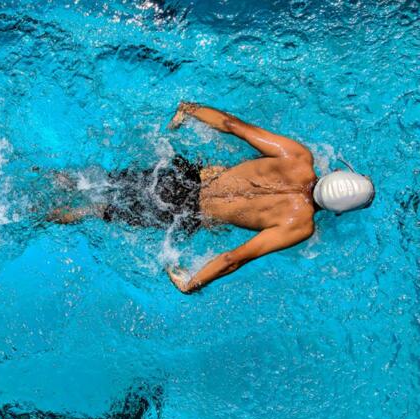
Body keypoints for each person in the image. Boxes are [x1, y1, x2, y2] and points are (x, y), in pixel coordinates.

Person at [47, 102, 375, 293]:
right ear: (338, 211)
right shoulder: (300, 225)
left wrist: (190, 110)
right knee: (98, 210)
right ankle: (41, 216)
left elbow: (233, 125)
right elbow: (234, 258)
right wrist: (192, 283)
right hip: (185, 212)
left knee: (96, 182)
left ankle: (48, 177)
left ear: (336, 172)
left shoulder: (298, 157)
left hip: (182, 176)